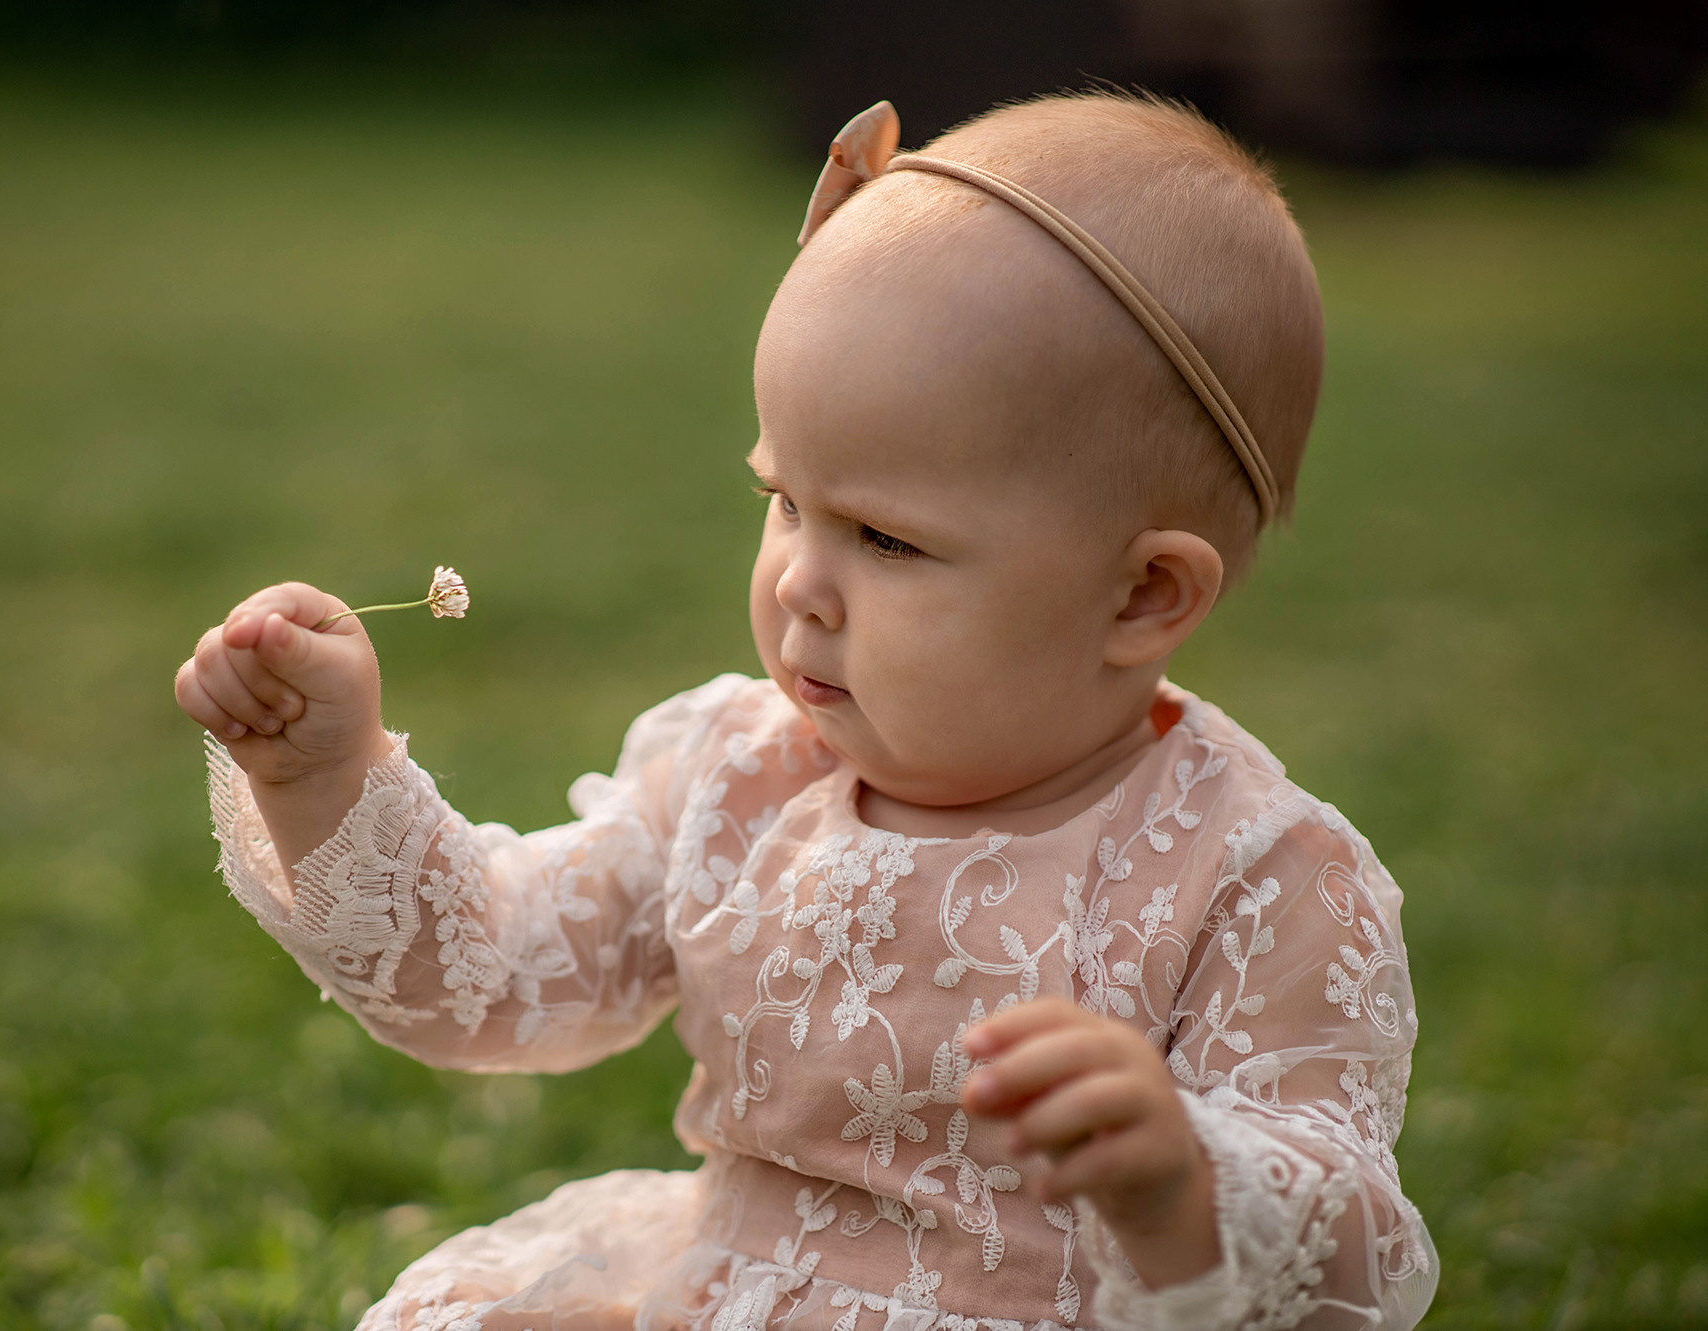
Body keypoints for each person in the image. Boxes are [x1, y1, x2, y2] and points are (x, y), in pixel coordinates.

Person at [173, 92, 1438, 1331]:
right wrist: (324, 777)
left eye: (885, 537)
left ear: (1143, 593)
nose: (797, 582)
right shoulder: (734, 770)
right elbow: (492, 978)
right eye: (784, 500)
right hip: (725, 1289)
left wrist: (1186, 1175)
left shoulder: (1250, 874)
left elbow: (1345, 1254)